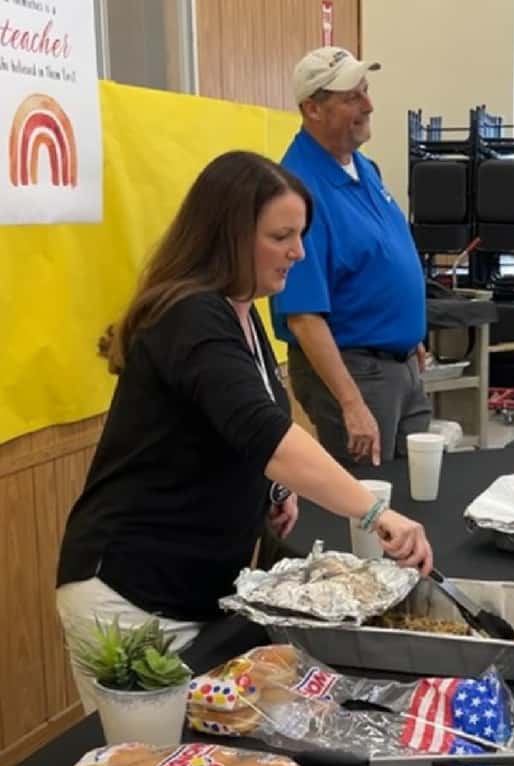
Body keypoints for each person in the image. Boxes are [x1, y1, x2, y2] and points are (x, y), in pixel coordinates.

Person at [56, 150, 433, 713]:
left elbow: (230, 423)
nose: (299, 252)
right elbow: (266, 434)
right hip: (131, 594)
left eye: (301, 234)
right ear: (230, 236)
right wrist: (374, 513)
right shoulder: (190, 316)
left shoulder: (242, 311)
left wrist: (270, 491)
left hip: (196, 589)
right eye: (282, 236)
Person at [270, 47, 431, 467]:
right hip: (357, 373)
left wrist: (408, 334)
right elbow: (303, 315)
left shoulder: (363, 168)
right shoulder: (298, 189)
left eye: (366, 91)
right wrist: (352, 403)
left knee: (416, 499)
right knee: (370, 510)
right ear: (312, 109)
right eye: (351, 98)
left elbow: (378, 262)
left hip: (399, 367)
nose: (369, 105)